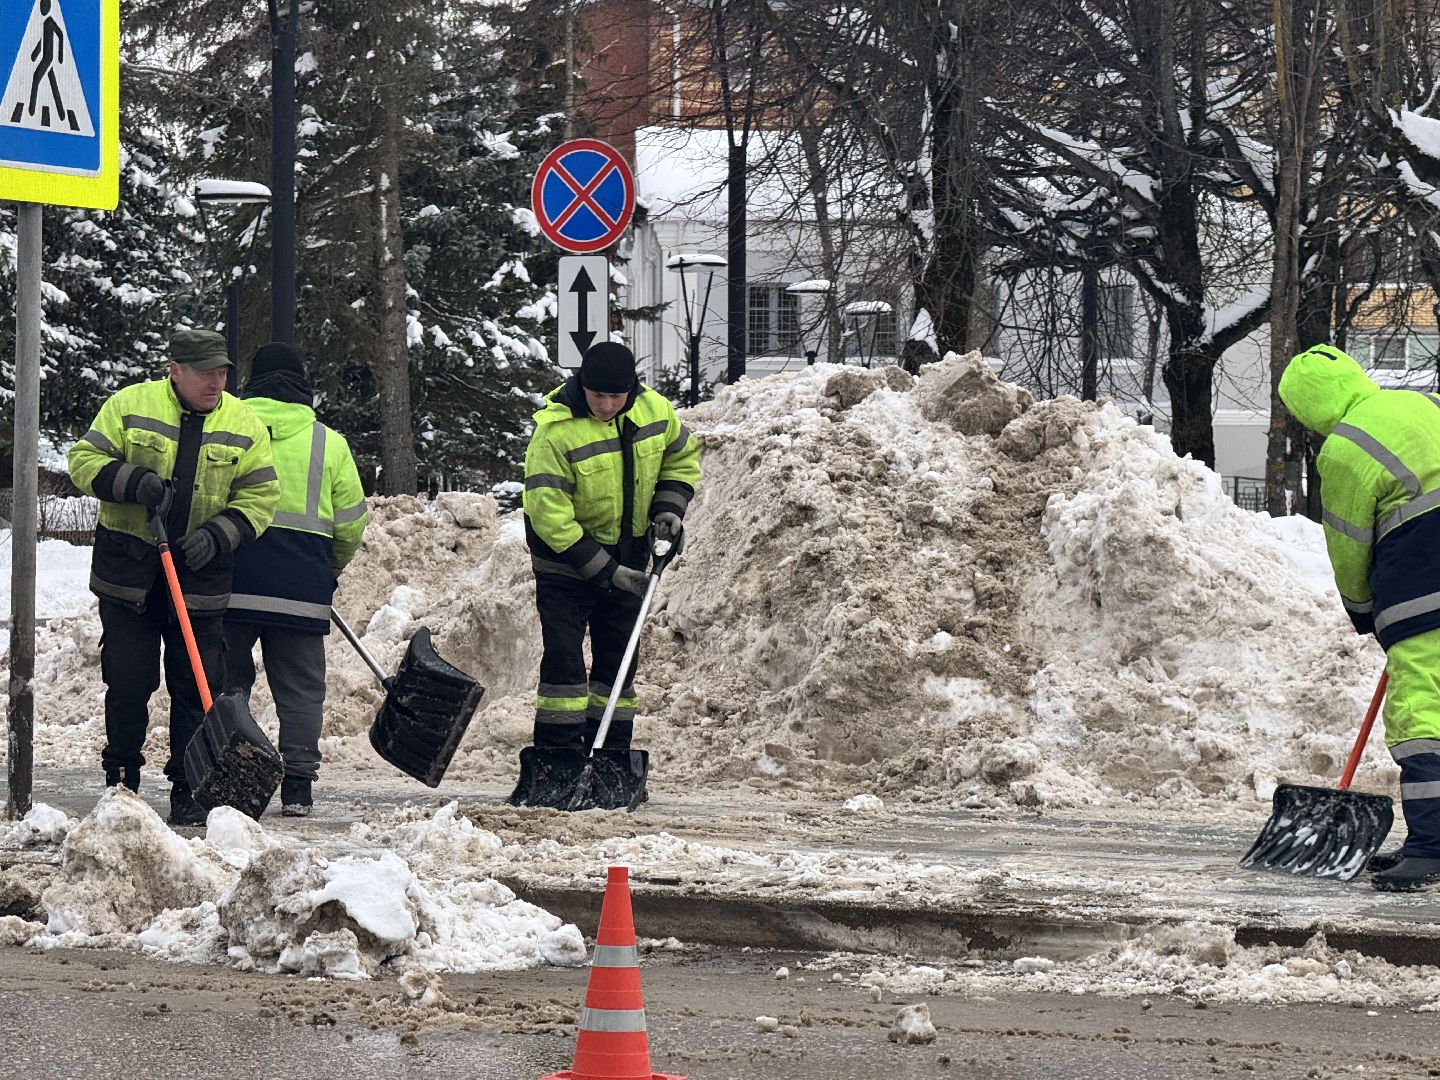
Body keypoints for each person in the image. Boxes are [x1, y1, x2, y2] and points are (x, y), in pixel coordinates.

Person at [68, 329, 279, 826]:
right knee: (128, 680)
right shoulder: (129, 406)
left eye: (223, 371)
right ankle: (121, 781)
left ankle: (190, 789)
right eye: (206, 371)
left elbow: (261, 497)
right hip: (131, 576)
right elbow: (82, 462)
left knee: (194, 684)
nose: (216, 381)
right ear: (175, 370)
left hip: (200, 580)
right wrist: (131, 480)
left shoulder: (244, 423)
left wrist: (220, 534)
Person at [1279, 343, 1440, 891]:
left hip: (1428, 586)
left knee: (1423, 718)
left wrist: (1364, 610)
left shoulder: (1345, 450)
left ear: (1308, 411)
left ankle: (1430, 846)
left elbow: (1350, 545)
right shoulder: (1424, 403)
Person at [521, 342, 700, 757]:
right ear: (582, 386)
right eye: (596, 395)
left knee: (618, 665)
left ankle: (612, 756)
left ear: (632, 390)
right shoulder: (554, 432)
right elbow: (549, 515)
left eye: (615, 396)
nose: (605, 404)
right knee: (564, 665)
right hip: (565, 566)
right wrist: (605, 570)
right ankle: (558, 755)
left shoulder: (655, 412)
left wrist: (669, 508)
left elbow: (682, 457)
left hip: (630, 557)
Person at [220, 343, 369, 817]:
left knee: (229, 679)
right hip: (302, 586)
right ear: (302, 384)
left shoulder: (229, 427)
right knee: (301, 689)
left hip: (231, 578)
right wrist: (330, 569)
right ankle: (299, 786)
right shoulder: (328, 442)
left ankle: (234, 772)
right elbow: (350, 523)